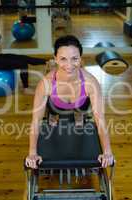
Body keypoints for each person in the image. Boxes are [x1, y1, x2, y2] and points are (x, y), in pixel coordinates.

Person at [25, 35, 114, 169]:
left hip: (81, 107)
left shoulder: (91, 82)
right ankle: (54, 117)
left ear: (80, 59)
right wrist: (32, 153)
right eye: (63, 59)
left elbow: (100, 118)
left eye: (74, 59)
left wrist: (107, 151)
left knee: (81, 112)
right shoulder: (45, 83)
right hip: (54, 109)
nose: (69, 65)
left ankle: (79, 117)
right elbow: (36, 121)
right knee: (53, 117)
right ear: (55, 59)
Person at [0, 7, 46, 95]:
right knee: (22, 63)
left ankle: (47, 62)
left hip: (0, 56)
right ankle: (26, 89)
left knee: (24, 57)